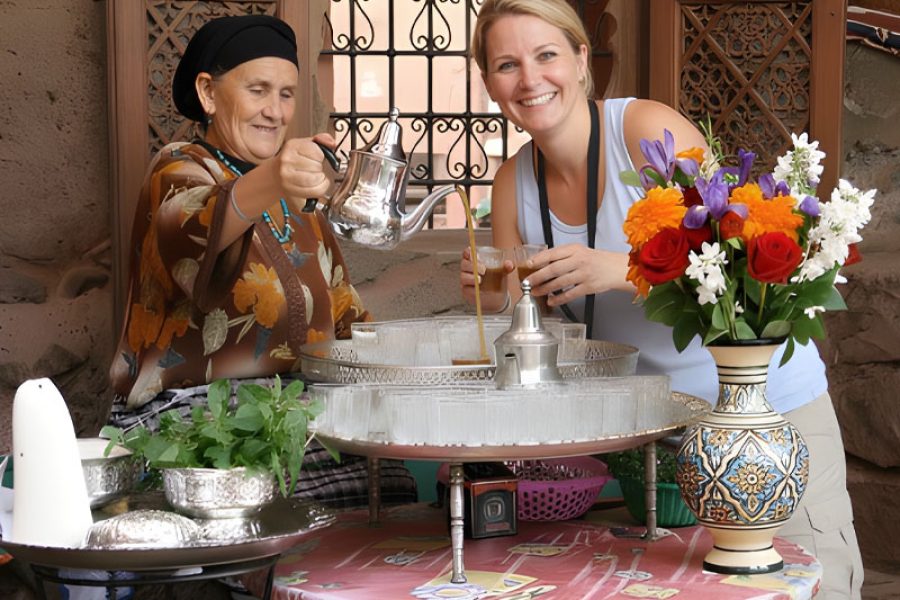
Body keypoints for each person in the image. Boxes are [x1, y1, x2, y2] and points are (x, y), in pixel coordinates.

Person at [459, 1, 863, 597]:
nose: (529, 79)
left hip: (765, 411)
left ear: (579, 60)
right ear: (490, 82)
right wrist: (491, 296)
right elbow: (527, 322)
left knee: (810, 585)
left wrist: (618, 269)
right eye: (506, 64)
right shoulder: (510, 182)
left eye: (547, 55)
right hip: (653, 440)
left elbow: (738, 256)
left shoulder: (642, 130)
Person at [108, 14, 415, 510]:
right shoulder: (177, 170)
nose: (275, 111)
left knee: (390, 486)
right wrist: (276, 175)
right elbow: (200, 223)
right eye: (258, 90)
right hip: (196, 425)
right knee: (292, 508)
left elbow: (346, 317)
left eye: (287, 94)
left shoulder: (300, 201)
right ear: (208, 92)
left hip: (301, 419)